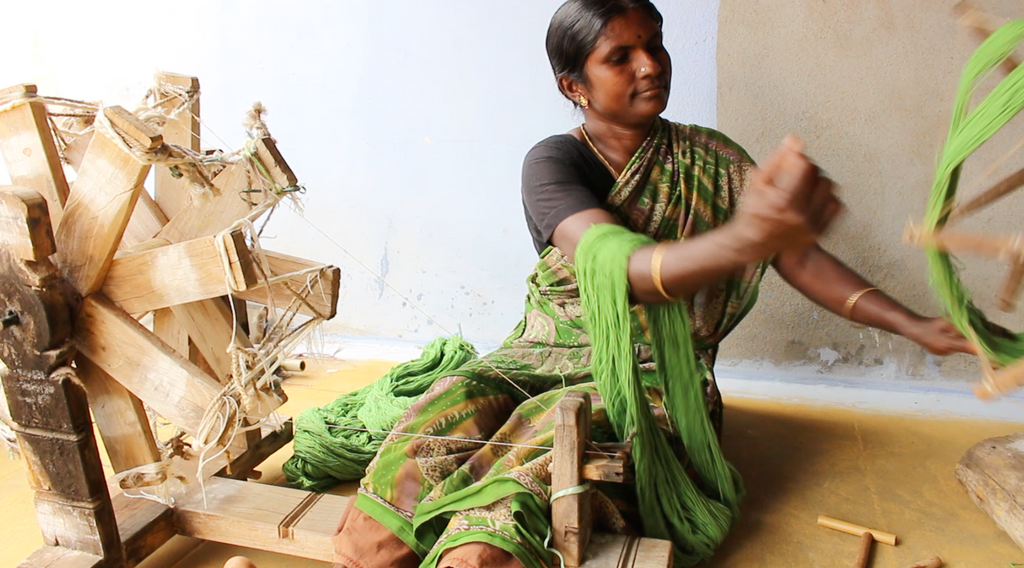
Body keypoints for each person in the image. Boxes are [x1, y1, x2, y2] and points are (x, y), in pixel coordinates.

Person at [229, 1, 972, 567]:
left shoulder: (713, 161)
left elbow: (801, 260)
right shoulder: (552, 162)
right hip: (532, 360)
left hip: (654, 381)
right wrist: (748, 236)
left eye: (655, 45)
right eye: (623, 56)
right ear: (573, 84)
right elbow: (613, 265)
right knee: (393, 497)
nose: (651, 64)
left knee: (496, 531)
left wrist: (915, 326)